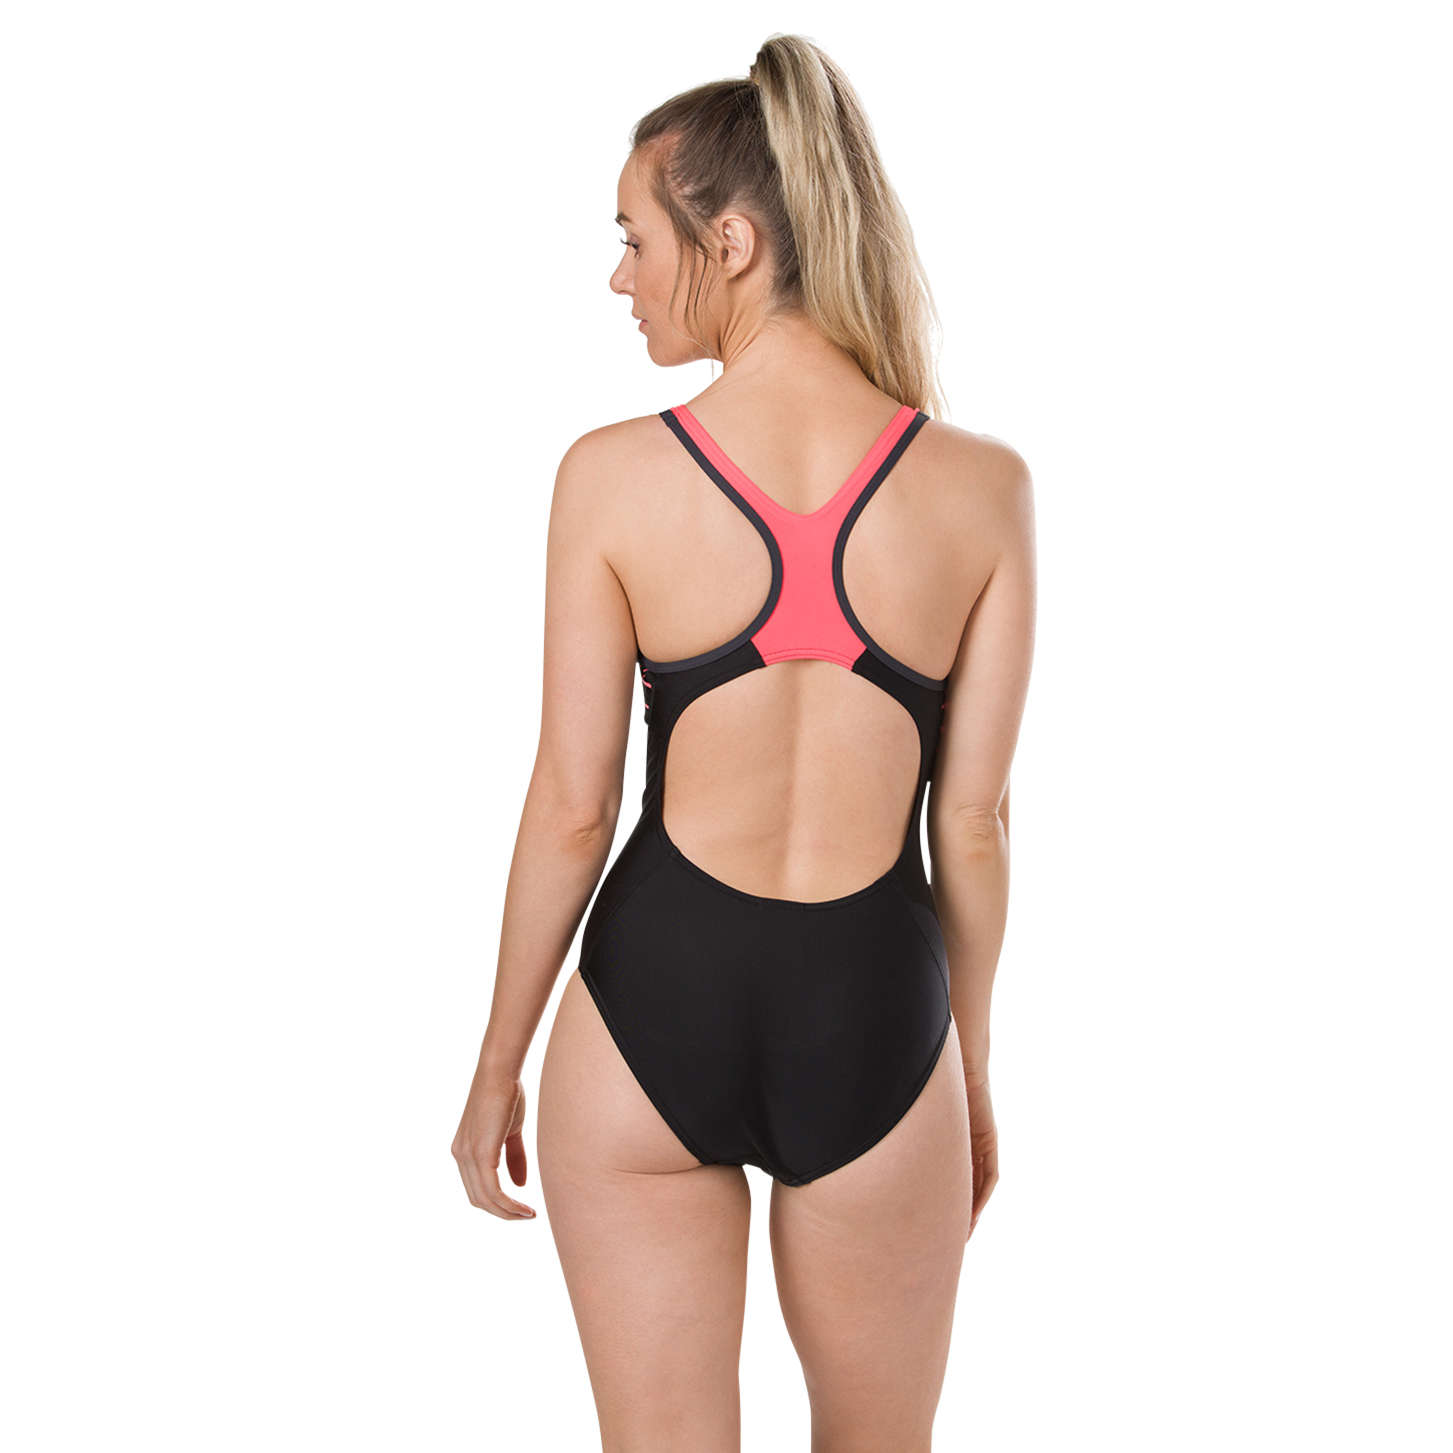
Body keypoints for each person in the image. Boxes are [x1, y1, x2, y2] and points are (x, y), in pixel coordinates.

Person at [452, 32, 1036, 1452]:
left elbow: (573, 805)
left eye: (633, 238)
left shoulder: (611, 479)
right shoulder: (981, 490)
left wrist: (497, 1060)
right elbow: (971, 825)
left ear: (729, 241)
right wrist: (965, 1066)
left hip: (650, 1011)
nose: (619, 277)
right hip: (875, 1017)